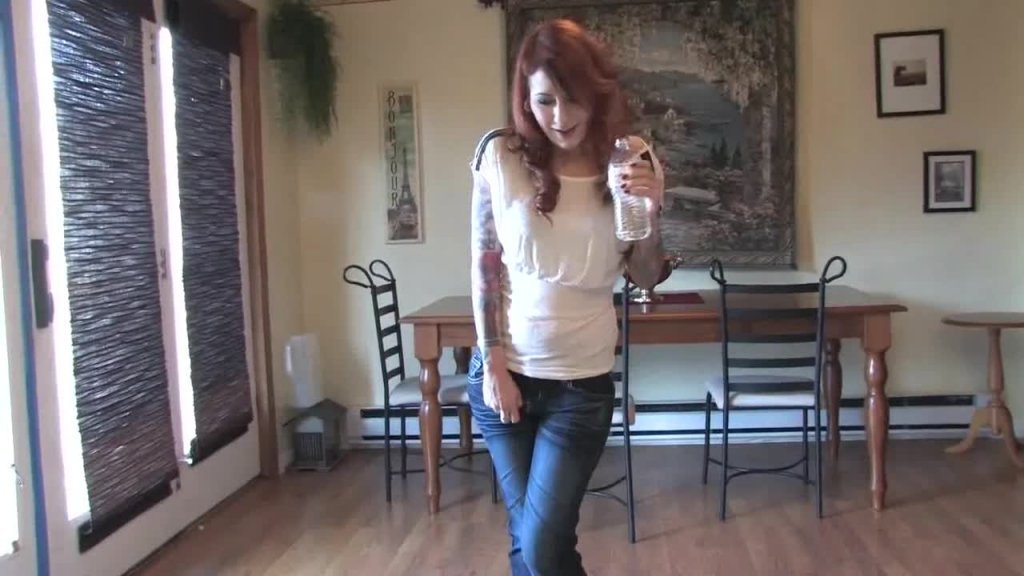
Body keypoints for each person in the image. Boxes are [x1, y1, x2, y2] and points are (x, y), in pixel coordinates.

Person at [466, 18, 666, 576]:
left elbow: (646, 277)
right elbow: (484, 266)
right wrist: (494, 367)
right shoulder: (500, 155)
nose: (559, 117)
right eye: (544, 100)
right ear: (525, 100)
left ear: (597, 92)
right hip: (504, 377)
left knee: (542, 545)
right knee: (529, 542)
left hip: (581, 386)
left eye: (572, 98)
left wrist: (652, 217)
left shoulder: (630, 158)